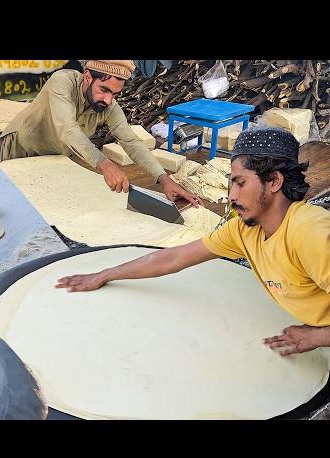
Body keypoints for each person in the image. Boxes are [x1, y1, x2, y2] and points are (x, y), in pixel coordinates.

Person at [55, 127, 330, 356]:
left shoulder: (309, 233)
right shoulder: (244, 231)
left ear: (274, 181)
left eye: (240, 183)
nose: (232, 196)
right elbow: (173, 258)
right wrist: (105, 275)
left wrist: (315, 338)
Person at [0, 59, 200, 206]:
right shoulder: (62, 82)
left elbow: (131, 141)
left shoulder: (108, 105)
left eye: (114, 93)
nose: (108, 99)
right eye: (104, 89)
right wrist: (105, 165)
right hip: (21, 147)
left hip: (56, 156)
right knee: (18, 204)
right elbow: (67, 129)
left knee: (46, 205)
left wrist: (164, 180)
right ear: (87, 77)